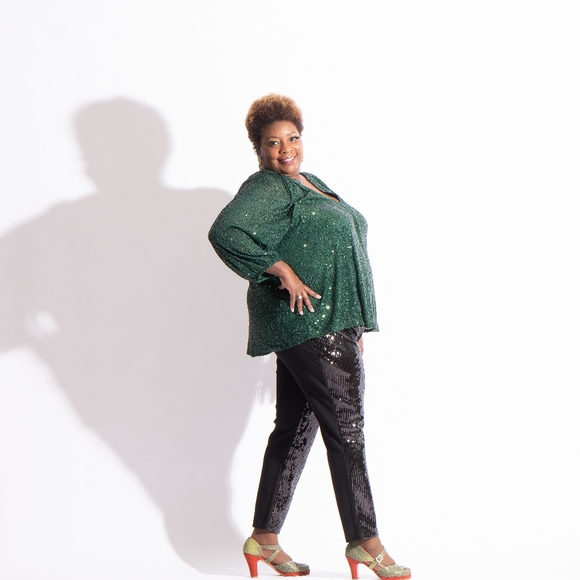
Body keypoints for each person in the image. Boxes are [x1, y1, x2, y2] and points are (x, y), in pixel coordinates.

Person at [208, 94, 410, 580]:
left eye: (293, 138)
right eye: (273, 142)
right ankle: (365, 542)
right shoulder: (267, 186)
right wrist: (280, 269)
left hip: (331, 324)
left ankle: (263, 537)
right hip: (309, 323)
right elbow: (225, 231)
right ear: (258, 148)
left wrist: (354, 322)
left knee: (295, 429)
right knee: (348, 431)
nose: (285, 149)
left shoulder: (311, 183)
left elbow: (347, 246)